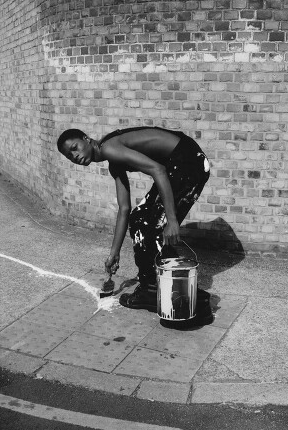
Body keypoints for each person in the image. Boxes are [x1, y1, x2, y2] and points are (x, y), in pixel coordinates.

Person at [57, 126, 210, 310]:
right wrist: (114, 252)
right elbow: (124, 209)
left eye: (75, 148)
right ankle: (166, 282)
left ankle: (151, 289)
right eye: (69, 156)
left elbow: (157, 169)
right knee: (139, 218)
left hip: (189, 161)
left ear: (86, 139)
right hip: (179, 163)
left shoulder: (109, 148)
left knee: (150, 224)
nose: (75, 156)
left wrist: (172, 219)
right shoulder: (113, 160)